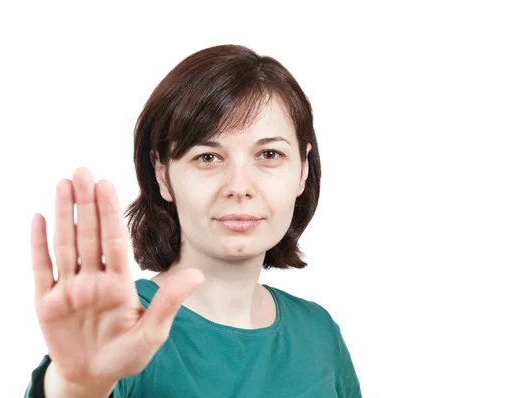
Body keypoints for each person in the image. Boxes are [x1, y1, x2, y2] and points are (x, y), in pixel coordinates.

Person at [25, 44, 362, 397]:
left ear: (303, 170)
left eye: (269, 154)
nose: (239, 187)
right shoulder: (119, 323)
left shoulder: (319, 334)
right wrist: (78, 386)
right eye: (208, 157)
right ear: (162, 174)